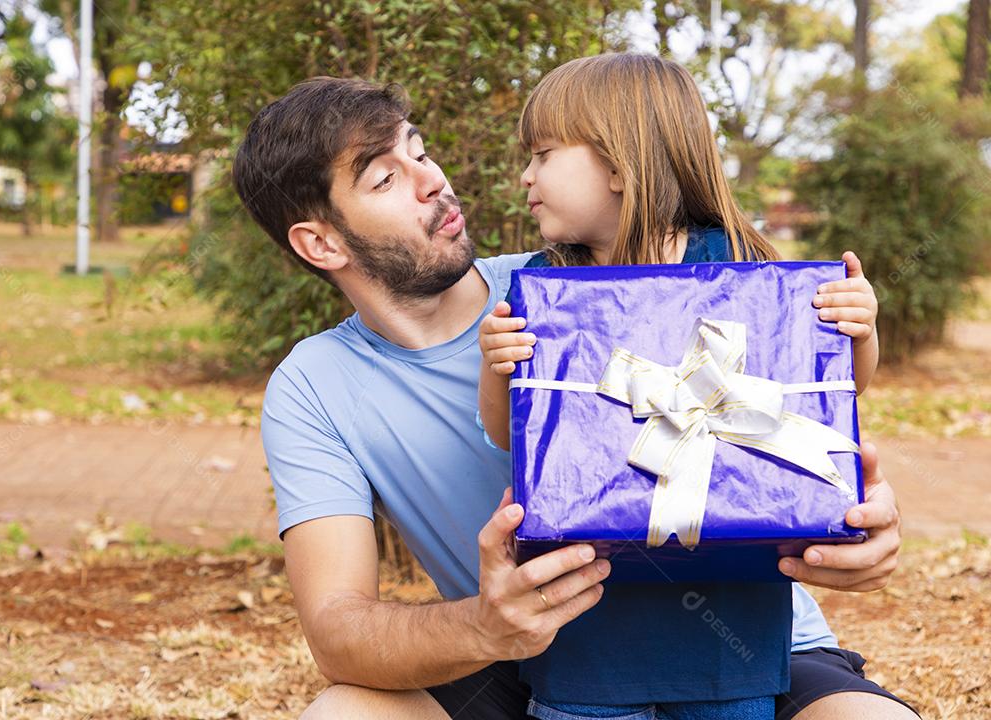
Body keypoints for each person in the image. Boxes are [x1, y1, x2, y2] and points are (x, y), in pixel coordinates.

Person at [231, 74, 914, 720]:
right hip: (526, 658)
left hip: (761, 649)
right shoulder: (315, 386)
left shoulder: (591, 281)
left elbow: (792, 392)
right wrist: (485, 624)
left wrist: (849, 512)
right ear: (320, 242)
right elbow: (339, 632)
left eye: (420, 152)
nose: (432, 178)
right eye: (385, 178)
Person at [476, 54, 891, 720]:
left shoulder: (740, 263)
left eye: (543, 154)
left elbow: (826, 392)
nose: (526, 176)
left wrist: (857, 331)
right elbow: (508, 435)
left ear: (618, 165)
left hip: (732, 643)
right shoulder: (542, 286)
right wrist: (496, 365)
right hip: (584, 644)